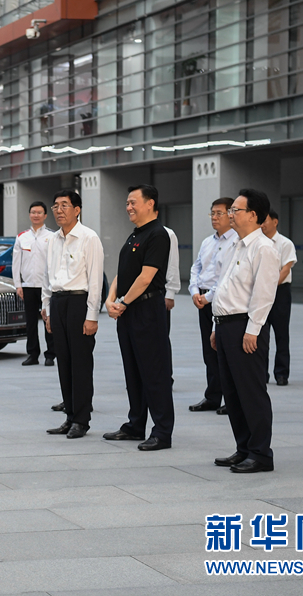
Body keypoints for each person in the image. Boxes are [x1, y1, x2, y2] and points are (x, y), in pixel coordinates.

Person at [210, 189, 279, 473]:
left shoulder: (264, 248)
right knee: (233, 392)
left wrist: (253, 330)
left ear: (253, 215)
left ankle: (261, 454)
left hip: (245, 327)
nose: (230, 214)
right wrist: (216, 325)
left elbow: (264, 294)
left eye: (235, 210)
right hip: (226, 325)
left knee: (251, 392)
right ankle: (244, 448)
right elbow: (225, 288)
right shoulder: (235, 245)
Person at [103, 185, 175, 451]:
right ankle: (135, 424)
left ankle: (162, 431)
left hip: (147, 310)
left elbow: (146, 277)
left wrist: (122, 303)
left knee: (154, 372)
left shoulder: (158, 234)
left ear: (150, 203)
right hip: (128, 310)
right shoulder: (135, 235)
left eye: (133, 202)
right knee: (132, 371)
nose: (129, 207)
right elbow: (123, 273)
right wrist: (110, 299)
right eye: (127, 203)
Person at [42, 190, 104, 439]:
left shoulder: (89, 237)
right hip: (58, 302)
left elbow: (96, 279)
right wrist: (47, 310)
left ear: (77, 210)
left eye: (64, 205)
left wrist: (92, 315)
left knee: (81, 362)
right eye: (55, 206)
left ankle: (81, 419)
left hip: (79, 302)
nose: (59, 210)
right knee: (64, 362)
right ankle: (69, 416)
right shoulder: (52, 240)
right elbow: (47, 276)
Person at [188, 198, 238, 413]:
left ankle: (231, 399)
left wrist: (207, 297)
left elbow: (228, 276)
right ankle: (213, 396)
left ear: (230, 214)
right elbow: (196, 267)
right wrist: (194, 292)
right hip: (203, 300)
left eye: (219, 213)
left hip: (223, 301)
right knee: (209, 351)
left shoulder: (236, 242)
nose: (214, 218)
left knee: (225, 351)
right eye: (212, 213)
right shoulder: (207, 242)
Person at [12, 201, 54, 366]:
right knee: (30, 321)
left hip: (47, 286)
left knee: (48, 318)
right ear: (29, 215)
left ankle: (51, 354)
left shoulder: (52, 236)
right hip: (28, 285)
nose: (36, 215)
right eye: (33, 212)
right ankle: (33, 354)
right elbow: (16, 263)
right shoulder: (22, 237)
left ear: (45, 215)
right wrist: (18, 284)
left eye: (39, 212)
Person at [260, 210, 297, 386]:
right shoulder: (258, 242)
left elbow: (285, 269)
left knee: (281, 333)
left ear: (275, 222)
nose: (262, 224)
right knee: (261, 334)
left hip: (280, 291)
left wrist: (270, 286)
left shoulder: (285, 243)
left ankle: (282, 373)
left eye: (265, 221)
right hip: (261, 292)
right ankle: (262, 373)